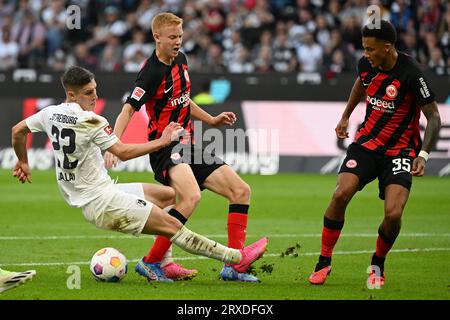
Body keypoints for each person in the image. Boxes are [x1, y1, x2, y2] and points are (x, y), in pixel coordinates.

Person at [11, 65, 268, 284]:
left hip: (104, 191)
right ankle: (235, 258)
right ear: (71, 94)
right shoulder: (91, 121)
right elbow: (122, 152)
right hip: (103, 203)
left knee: (170, 196)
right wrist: (163, 140)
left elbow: (18, 131)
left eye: (95, 90)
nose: (94, 96)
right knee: (174, 227)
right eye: (88, 93)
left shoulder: (49, 113)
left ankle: (163, 265)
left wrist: (23, 161)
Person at [105, 12, 259, 282]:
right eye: (172, 37)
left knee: (240, 190)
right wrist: (112, 144)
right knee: (190, 198)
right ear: (157, 38)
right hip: (165, 149)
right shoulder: (151, 73)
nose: (178, 41)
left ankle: (234, 265)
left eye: (180, 36)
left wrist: (211, 120)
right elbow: (128, 111)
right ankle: (151, 262)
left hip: (188, 144)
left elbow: (184, 99)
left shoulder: (182, 60)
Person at [308, 20, 441, 287]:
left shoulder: (412, 72)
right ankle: (324, 260)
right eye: (364, 48)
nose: (365, 54)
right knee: (340, 193)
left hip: (400, 150)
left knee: (393, 213)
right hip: (367, 144)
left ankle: (378, 261)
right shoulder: (366, 64)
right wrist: (345, 116)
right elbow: (361, 83)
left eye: (370, 49)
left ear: (388, 47)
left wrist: (423, 154)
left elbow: (434, 116)